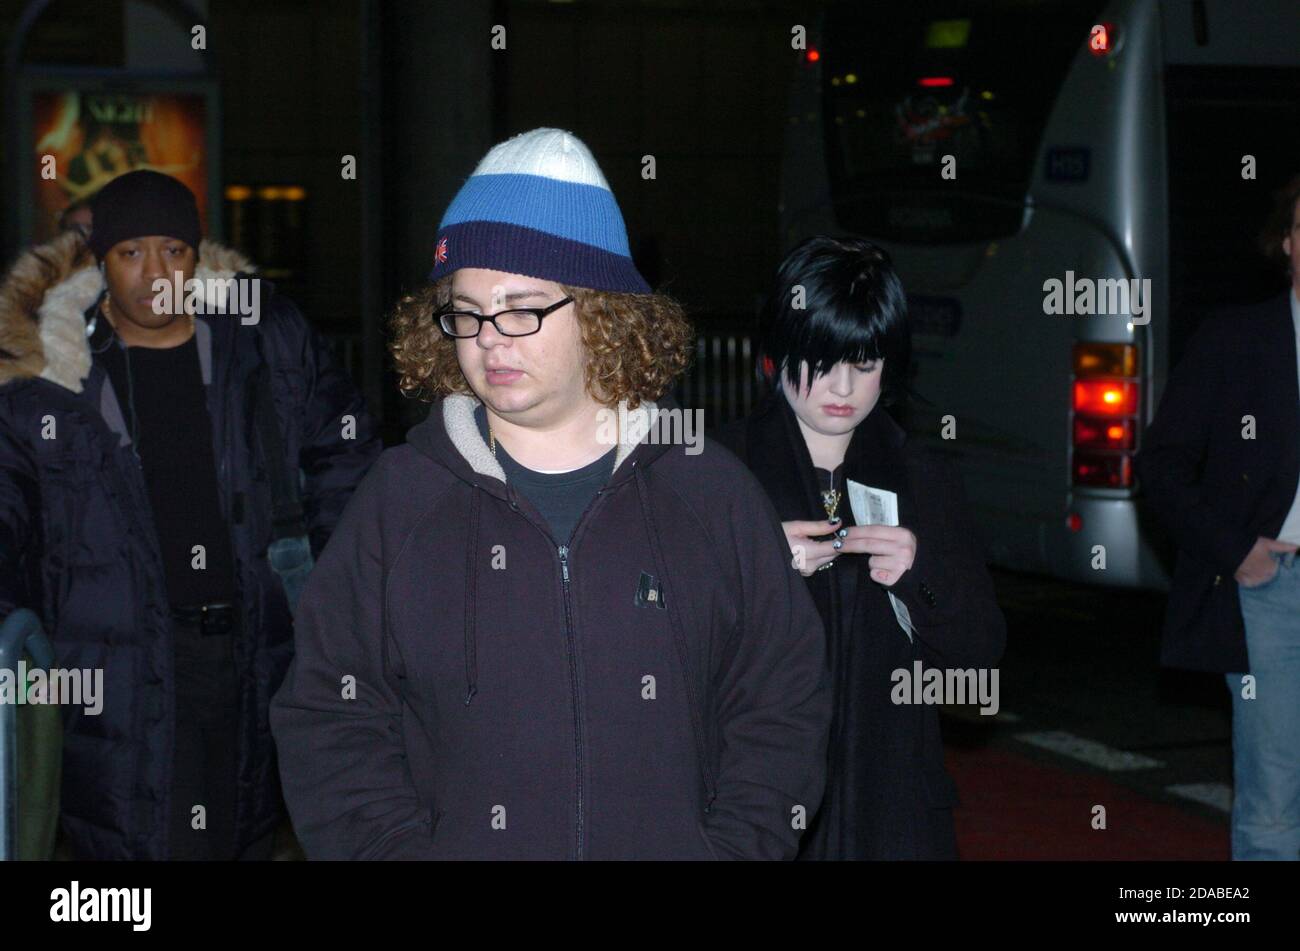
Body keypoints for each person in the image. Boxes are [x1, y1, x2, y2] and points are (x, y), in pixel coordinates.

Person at [270, 127, 831, 860]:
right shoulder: (398, 500)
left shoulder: (709, 491)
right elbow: (329, 715)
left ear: (601, 311)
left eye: (522, 307)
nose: (489, 339)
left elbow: (780, 705)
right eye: (464, 311)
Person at [0, 169, 381, 860]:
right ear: (101, 261)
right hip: (111, 669)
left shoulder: (262, 340)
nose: (155, 273)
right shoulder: (52, 375)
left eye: (173, 250)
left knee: (244, 833)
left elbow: (347, 455)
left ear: (197, 254)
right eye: (131, 253)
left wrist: (336, 592)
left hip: (252, 656)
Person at [715, 236, 1006, 860]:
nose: (841, 386)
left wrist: (918, 577)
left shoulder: (923, 476)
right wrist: (761, 574)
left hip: (893, 810)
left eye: (866, 363)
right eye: (820, 361)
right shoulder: (718, 471)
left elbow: (980, 669)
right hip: (757, 807)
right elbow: (660, 649)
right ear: (777, 354)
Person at [1138, 174, 1300, 860]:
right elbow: (1161, 466)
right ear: (1289, 243)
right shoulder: (1237, 339)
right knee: (1274, 795)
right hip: (1274, 595)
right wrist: (1238, 552)